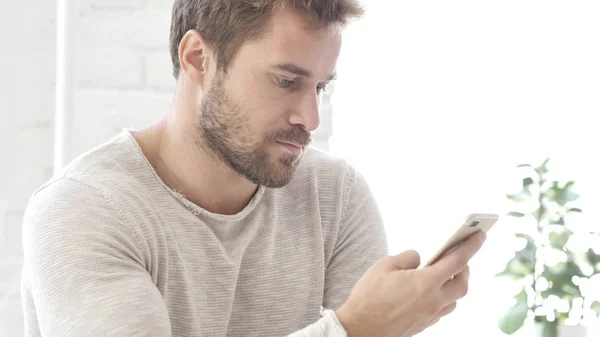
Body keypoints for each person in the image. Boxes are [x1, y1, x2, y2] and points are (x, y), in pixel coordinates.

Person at [20, 0, 487, 336]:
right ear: (198, 58)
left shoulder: (334, 196)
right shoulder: (84, 211)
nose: (311, 117)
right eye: (286, 81)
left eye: (320, 87)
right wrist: (355, 330)